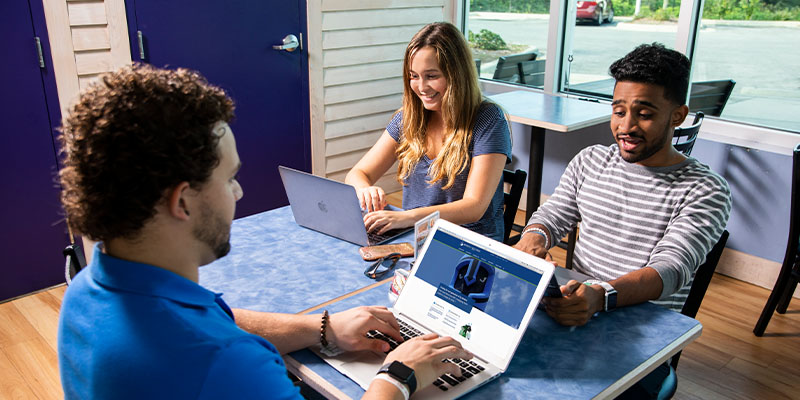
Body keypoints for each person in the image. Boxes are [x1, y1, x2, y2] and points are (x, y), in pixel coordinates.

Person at [56, 64, 472, 400]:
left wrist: (321, 328)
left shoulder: (86, 293)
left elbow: (215, 320)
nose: (237, 191)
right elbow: (215, 343)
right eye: (229, 177)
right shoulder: (228, 366)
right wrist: (397, 377)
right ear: (182, 201)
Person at [514, 43, 732, 325]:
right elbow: (552, 216)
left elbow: (670, 269)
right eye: (618, 112)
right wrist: (534, 238)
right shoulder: (590, 160)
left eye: (644, 115)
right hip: (574, 310)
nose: (626, 127)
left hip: (641, 328)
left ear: (678, 115)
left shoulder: (704, 189)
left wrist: (601, 296)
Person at [345, 22, 512, 242]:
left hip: (468, 243)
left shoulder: (488, 120)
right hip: (414, 236)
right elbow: (356, 175)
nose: (421, 87)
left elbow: (475, 207)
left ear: (457, 75)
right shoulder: (408, 118)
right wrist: (364, 189)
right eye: (414, 76)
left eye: (432, 76)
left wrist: (407, 218)